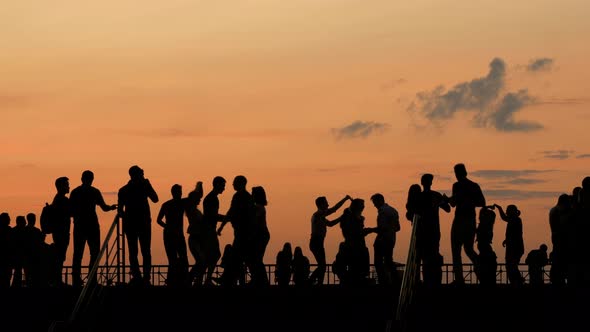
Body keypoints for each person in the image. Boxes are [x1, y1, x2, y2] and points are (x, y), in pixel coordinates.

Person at [69, 170, 117, 287]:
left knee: (78, 253)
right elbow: (104, 207)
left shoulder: (75, 192)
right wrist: (112, 207)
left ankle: (76, 279)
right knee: (94, 253)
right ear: (92, 179)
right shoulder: (94, 191)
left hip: (79, 225)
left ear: (82, 179)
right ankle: (92, 280)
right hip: (92, 226)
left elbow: (70, 210)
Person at [444, 163, 485, 285]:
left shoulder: (457, 186)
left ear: (457, 174)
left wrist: (448, 199)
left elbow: (453, 204)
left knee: (456, 252)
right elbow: (482, 202)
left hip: (460, 220)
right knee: (469, 249)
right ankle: (481, 271)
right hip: (471, 221)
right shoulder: (474, 186)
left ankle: (460, 279)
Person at [118, 165, 159, 286]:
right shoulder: (144, 186)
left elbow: (120, 211)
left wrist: (127, 218)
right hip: (143, 223)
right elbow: (155, 199)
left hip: (131, 224)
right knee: (145, 251)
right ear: (138, 175)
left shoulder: (123, 190)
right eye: (142, 174)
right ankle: (145, 277)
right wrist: (148, 184)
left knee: (133, 251)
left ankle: (137, 276)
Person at [217, 175, 255, 286]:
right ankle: (230, 279)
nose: (233, 185)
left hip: (242, 233)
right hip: (243, 233)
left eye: (234, 183)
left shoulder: (240, 196)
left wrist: (221, 226)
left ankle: (228, 279)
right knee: (240, 258)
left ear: (241, 184)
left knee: (238, 257)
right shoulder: (247, 197)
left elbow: (231, 212)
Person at [308, 195, 351, 286]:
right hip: (316, 242)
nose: (328, 205)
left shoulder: (320, 216)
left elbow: (331, 223)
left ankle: (317, 282)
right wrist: (345, 199)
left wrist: (342, 216)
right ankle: (310, 281)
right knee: (322, 266)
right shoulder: (318, 215)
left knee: (322, 266)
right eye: (326, 203)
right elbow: (334, 210)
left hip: (317, 242)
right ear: (321, 205)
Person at [417, 174, 451, 286]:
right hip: (431, 230)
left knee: (425, 256)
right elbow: (447, 209)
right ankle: (433, 280)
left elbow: (447, 209)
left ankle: (428, 279)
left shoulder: (421, 196)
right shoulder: (435, 195)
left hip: (426, 230)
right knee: (431, 255)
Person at [157, 184, 188, 287]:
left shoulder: (167, 204)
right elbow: (158, 220)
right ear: (175, 193)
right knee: (179, 259)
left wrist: (166, 226)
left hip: (170, 234)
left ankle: (174, 281)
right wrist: (167, 227)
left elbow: (158, 220)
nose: (180, 194)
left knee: (174, 259)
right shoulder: (181, 203)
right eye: (179, 192)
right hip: (175, 234)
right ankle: (180, 281)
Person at [367, 193, 400, 286]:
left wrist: (370, 230)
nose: (374, 205)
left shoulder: (382, 212)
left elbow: (381, 228)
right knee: (389, 261)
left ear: (379, 201)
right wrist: (390, 229)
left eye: (374, 202)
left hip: (382, 240)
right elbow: (398, 228)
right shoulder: (393, 211)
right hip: (391, 240)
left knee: (378, 263)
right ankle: (395, 281)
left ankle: (383, 283)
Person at [494, 204, 525, 286]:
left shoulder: (515, 220)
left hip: (515, 248)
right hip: (513, 247)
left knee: (511, 266)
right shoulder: (514, 219)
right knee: (511, 266)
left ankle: (517, 281)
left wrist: (499, 208)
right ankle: (517, 281)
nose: (506, 212)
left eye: (507, 210)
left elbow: (514, 234)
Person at [51, 176, 72, 287]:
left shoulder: (57, 199)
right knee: (60, 256)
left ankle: (57, 280)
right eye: (67, 184)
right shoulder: (62, 200)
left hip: (59, 232)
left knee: (59, 256)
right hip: (61, 232)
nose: (69, 187)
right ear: (61, 186)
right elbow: (71, 212)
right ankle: (57, 281)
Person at [251, 186, 271, 286]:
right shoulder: (259, 207)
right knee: (257, 258)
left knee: (256, 259)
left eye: (253, 194)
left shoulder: (259, 207)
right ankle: (260, 280)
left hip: (261, 235)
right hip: (261, 235)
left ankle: (260, 280)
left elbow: (255, 220)